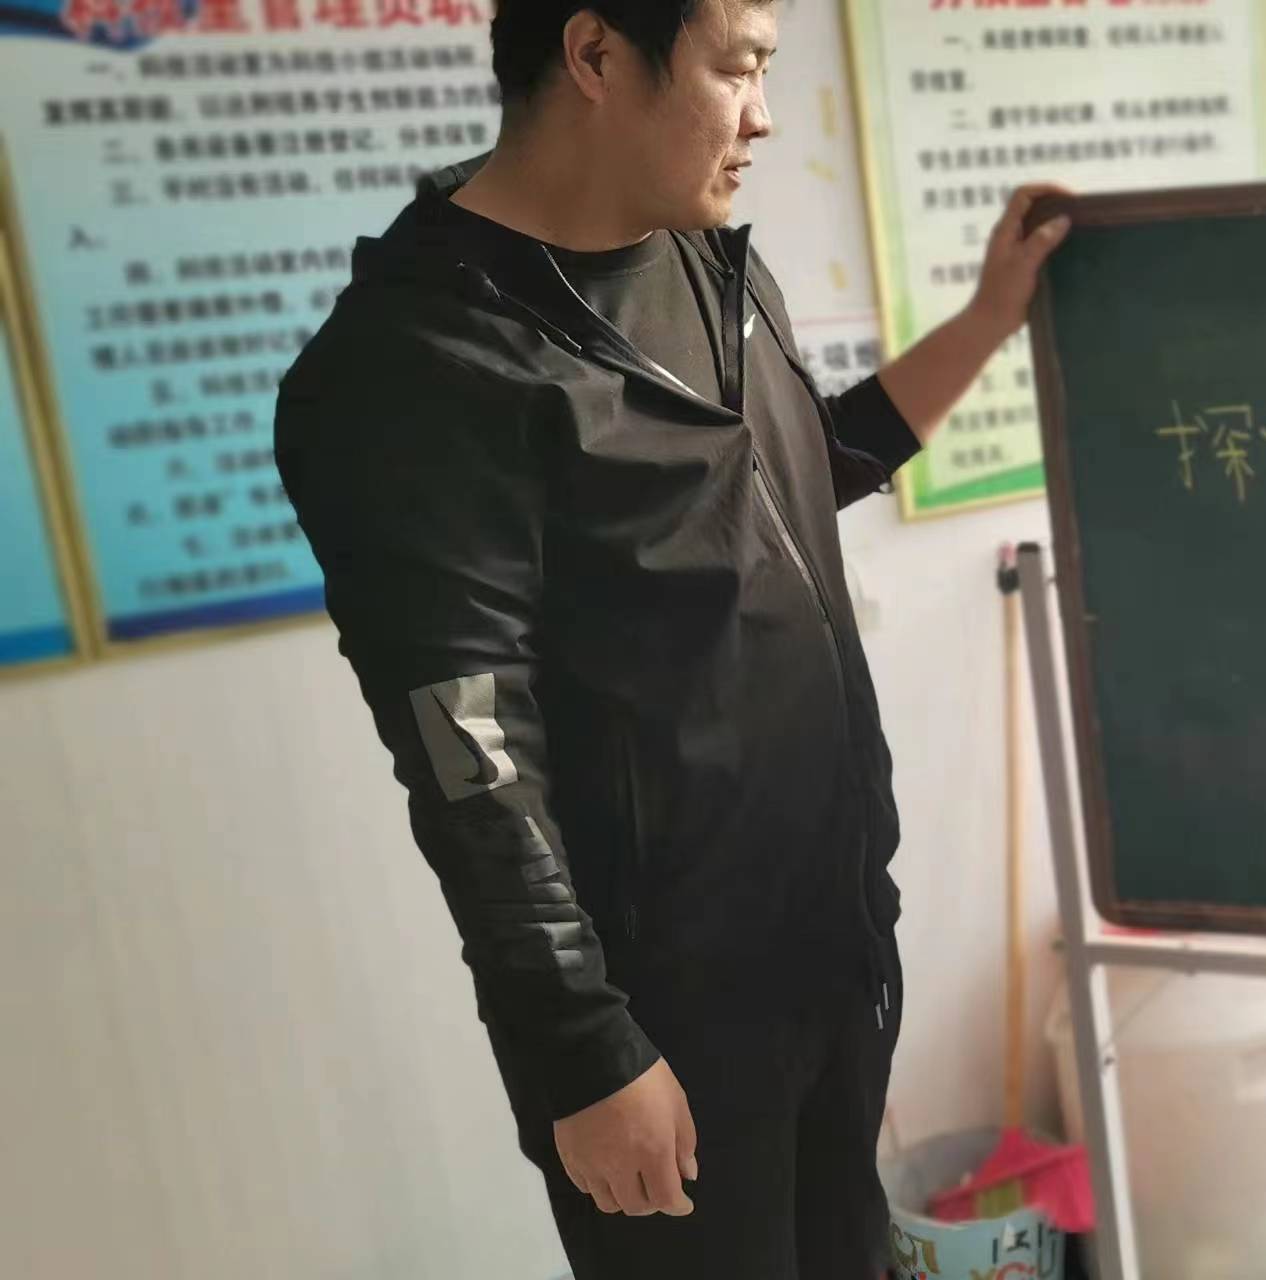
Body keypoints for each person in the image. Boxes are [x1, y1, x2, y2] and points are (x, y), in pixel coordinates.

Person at [273, 1, 1066, 1274]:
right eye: (736, 68)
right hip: (666, 1018)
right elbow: (469, 748)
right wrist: (583, 1048)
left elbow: (798, 469)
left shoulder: (705, 264)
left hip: (831, 938)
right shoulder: (418, 364)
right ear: (595, 54)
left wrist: (987, 318)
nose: (763, 115)